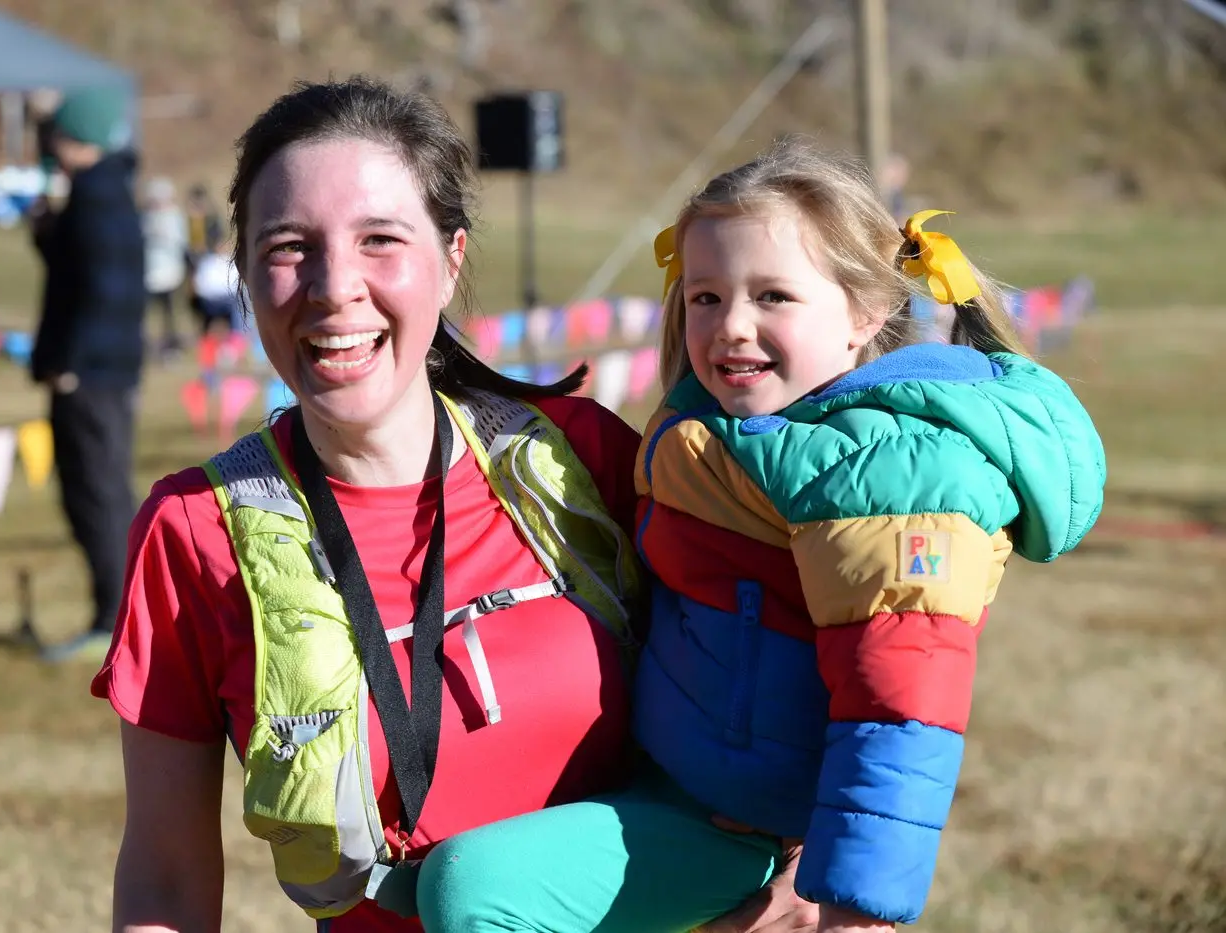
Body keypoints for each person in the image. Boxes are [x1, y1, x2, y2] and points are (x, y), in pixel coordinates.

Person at [91, 78, 819, 933]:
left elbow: (810, 633)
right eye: (289, 246)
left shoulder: (576, 457)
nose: (333, 286)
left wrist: (810, 865)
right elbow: (167, 883)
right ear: (244, 276)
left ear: (451, 260)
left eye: (379, 240)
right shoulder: (194, 532)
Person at [415, 141, 1107, 932]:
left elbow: (902, 705)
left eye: (773, 295)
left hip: (739, 834)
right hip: (664, 780)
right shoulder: (717, 431)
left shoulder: (888, 476)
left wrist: (848, 905)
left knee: (469, 893)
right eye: (706, 297)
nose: (732, 327)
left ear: (865, 313)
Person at [28, 87, 147, 663]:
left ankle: (113, 620)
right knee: (98, 488)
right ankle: (119, 612)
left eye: (55, 134)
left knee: (95, 492)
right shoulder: (105, 190)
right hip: (102, 370)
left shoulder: (97, 197)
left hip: (91, 375)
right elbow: (80, 272)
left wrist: (72, 365)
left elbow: (103, 292)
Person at [142, 176, 189, 356]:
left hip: (170, 273)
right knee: (147, 315)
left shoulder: (174, 217)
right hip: (149, 274)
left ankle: (172, 344)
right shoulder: (145, 218)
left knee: (171, 313)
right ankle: (149, 346)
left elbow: (181, 241)